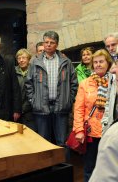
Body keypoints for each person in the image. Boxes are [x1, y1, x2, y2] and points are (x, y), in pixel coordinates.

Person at [25, 31, 78, 147]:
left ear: (57, 44)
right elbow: (28, 84)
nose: (48, 45)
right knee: (44, 141)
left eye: (52, 42)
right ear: (43, 43)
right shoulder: (35, 62)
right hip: (41, 107)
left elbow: (74, 83)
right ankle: (47, 166)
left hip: (61, 107)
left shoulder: (66, 62)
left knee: (62, 141)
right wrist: (33, 101)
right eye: (46, 42)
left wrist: (69, 100)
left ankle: (63, 165)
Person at [72, 49, 113, 182]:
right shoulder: (85, 83)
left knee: (109, 166)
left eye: (101, 61)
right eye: (95, 62)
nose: (98, 65)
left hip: (109, 130)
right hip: (90, 132)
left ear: (108, 63)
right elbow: (78, 109)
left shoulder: (114, 81)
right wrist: (79, 130)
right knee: (90, 167)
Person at [15, 48, 35, 131]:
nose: (21, 60)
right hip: (16, 112)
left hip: (31, 112)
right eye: (19, 58)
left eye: (23, 58)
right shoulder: (13, 72)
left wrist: (23, 109)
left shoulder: (34, 71)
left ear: (29, 59)